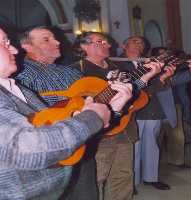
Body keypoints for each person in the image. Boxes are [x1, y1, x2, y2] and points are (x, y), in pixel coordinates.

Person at [0, 27, 133, 200]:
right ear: (28, 46)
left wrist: (111, 109)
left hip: (74, 156)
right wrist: (93, 117)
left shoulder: (63, 74)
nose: (14, 49)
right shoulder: (24, 73)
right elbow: (26, 146)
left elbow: (71, 114)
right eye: (4, 43)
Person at [69, 31, 162, 200]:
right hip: (99, 135)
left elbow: (130, 92)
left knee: (123, 177)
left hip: (124, 129)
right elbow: (73, 104)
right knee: (97, 178)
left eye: (107, 42)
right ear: (84, 46)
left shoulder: (115, 67)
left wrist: (147, 76)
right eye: (100, 41)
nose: (108, 44)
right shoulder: (76, 71)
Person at [121, 36, 179, 191]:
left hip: (153, 108)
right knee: (135, 146)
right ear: (124, 45)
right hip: (133, 110)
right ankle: (132, 181)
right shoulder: (117, 63)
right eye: (134, 41)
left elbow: (156, 87)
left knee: (152, 144)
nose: (139, 44)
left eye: (141, 42)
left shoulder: (148, 62)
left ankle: (151, 177)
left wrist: (164, 77)